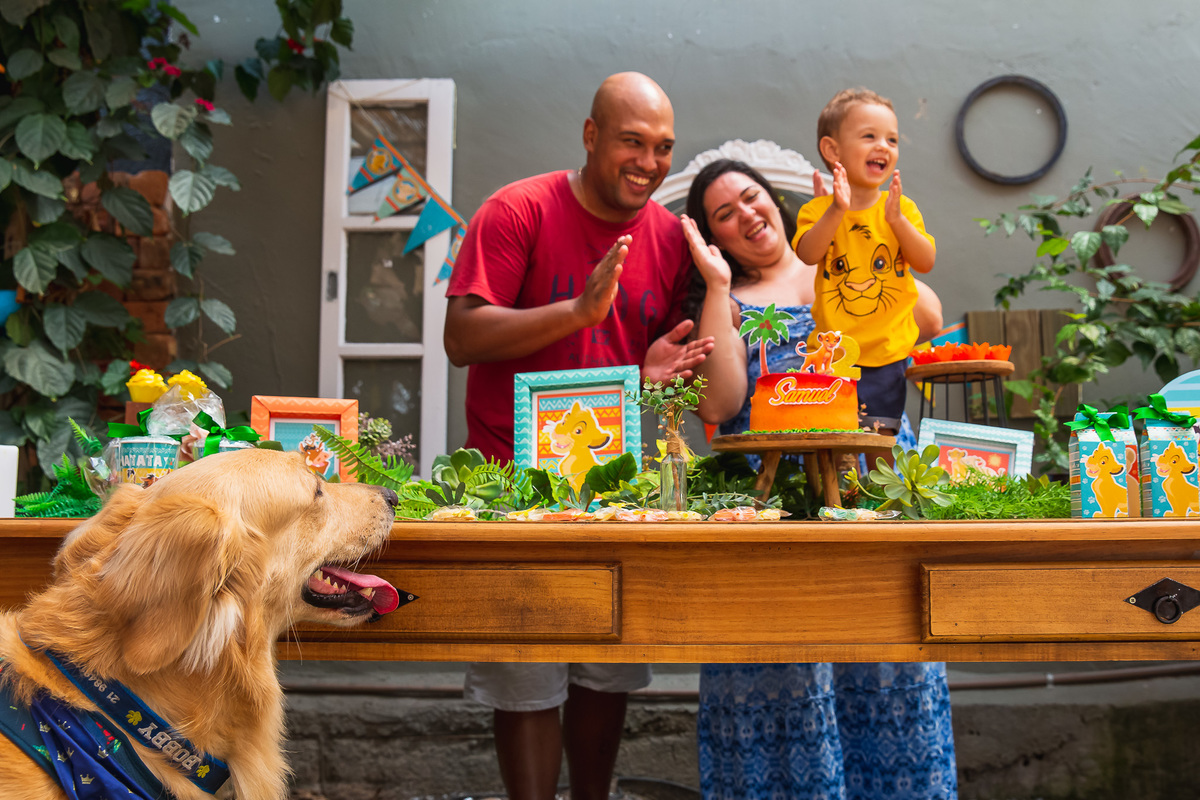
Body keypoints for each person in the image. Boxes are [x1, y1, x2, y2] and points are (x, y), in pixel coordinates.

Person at [442, 72, 713, 800]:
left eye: (662, 148)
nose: (649, 163)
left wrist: (651, 373)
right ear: (591, 135)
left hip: (612, 491)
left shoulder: (666, 238)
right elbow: (462, 337)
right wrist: (578, 311)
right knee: (527, 676)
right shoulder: (516, 209)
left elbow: (655, 359)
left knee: (604, 667)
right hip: (512, 489)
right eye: (632, 141)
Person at [682, 158, 956, 800]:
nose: (746, 214)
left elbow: (929, 321)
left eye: (750, 198)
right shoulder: (723, 299)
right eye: (725, 213)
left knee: (889, 654)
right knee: (778, 661)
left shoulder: (837, 257)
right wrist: (717, 290)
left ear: (773, 200)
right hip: (773, 496)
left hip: (875, 477)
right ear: (715, 239)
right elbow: (718, 407)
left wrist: (869, 226)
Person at [793, 88, 936, 433]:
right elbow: (808, 252)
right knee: (828, 443)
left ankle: (875, 490)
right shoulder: (817, 211)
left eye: (892, 139)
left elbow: (926, 260)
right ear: (832, 150)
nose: (883, 146)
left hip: (887, 355)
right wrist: (836, 210)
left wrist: (897, 222)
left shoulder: (901, 208)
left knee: (880, 440)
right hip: (832, 358)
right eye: (869, 136)